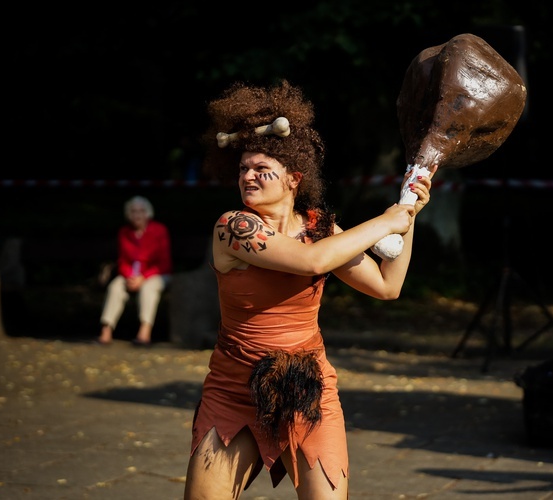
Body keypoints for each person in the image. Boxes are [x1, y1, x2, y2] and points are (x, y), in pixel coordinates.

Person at [183, 80, 436, 499]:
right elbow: (311, 262)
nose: (248, 176)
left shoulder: (318, 228)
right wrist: (386, 221)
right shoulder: (234, 226)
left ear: (293, 179)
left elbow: (388, 286)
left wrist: (409, 213)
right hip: (233, 391)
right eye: (243, 168)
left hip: (308, 391)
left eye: (262, 169)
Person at [96, 195, 172, 346]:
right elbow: (123, 261)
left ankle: (144, 332)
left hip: (156, 274)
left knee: (148, 288)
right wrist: (129, 276)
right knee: (115, 287)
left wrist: (143, 278)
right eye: (134, 211)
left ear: (148, 213)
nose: (137, 215)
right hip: (130, 274)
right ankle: (106, 330)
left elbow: (164, 263)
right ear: (128, 214)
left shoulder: (159, 230)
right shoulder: (124, 232)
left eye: (141, 211)